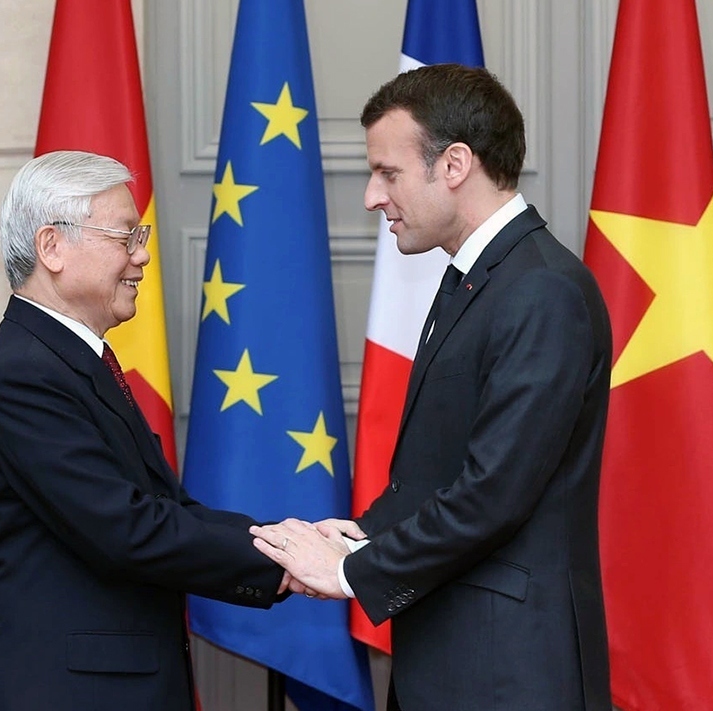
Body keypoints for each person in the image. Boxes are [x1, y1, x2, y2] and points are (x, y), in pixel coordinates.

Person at [250, 64, 613, 711]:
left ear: (454, 164)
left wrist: (345, 571)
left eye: (387, 172)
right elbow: (438, 475)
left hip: (509, 674)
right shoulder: (476, 281)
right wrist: (358, 536)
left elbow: (493, 493)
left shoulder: (541, 290)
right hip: (458, 660)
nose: (371, 196)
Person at [0, 151, 286, 711]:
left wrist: (282, 539)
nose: (142, 256)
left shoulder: (70, 360)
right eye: (125, 237)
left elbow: (167, 507)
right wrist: (286, 560)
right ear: (52, 247)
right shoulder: (27, 374)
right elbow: (127, 529)